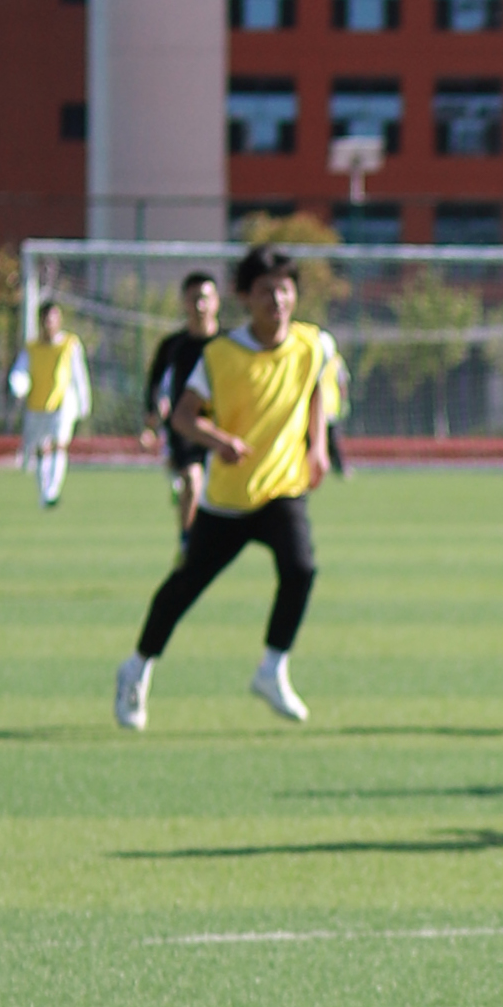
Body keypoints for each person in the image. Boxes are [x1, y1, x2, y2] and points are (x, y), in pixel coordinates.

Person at [116, 243, 337, 731]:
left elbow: (316, 387)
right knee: (185, 586)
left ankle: (272, 668)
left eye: (285, 290)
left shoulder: (314, 344)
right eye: (266, 291)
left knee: (301, 568)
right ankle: (137, 667)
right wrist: (220, 441)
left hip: (283, 488)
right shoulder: (220, 355)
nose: (277, 300)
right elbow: (183, 416)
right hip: (230, 500)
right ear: (245, 297)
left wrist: (318, 446)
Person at [139, 271, 223, 538]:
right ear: (184, 302)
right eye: (194, 298)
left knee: (215, 494)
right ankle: (187, 541)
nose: (200, 305)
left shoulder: (228, 344)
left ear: (217, 301)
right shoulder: (173, 346)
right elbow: (154, 383)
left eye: (205, 298)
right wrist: (150, 422)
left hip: (222, 428)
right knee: (192, 480)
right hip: (185, 427)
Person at [13, 299, 92, 509]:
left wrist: (84, 401)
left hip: (62, 402)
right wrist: (18, 385)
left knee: (59, 443)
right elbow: (21, 371)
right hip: (38, 403)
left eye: (53, 319)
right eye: (46, 320)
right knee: (41, 448)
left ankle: (52, 491)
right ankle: (44, 492)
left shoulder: (69, 344)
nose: (50, 324)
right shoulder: (32, 348)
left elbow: (79, 374)